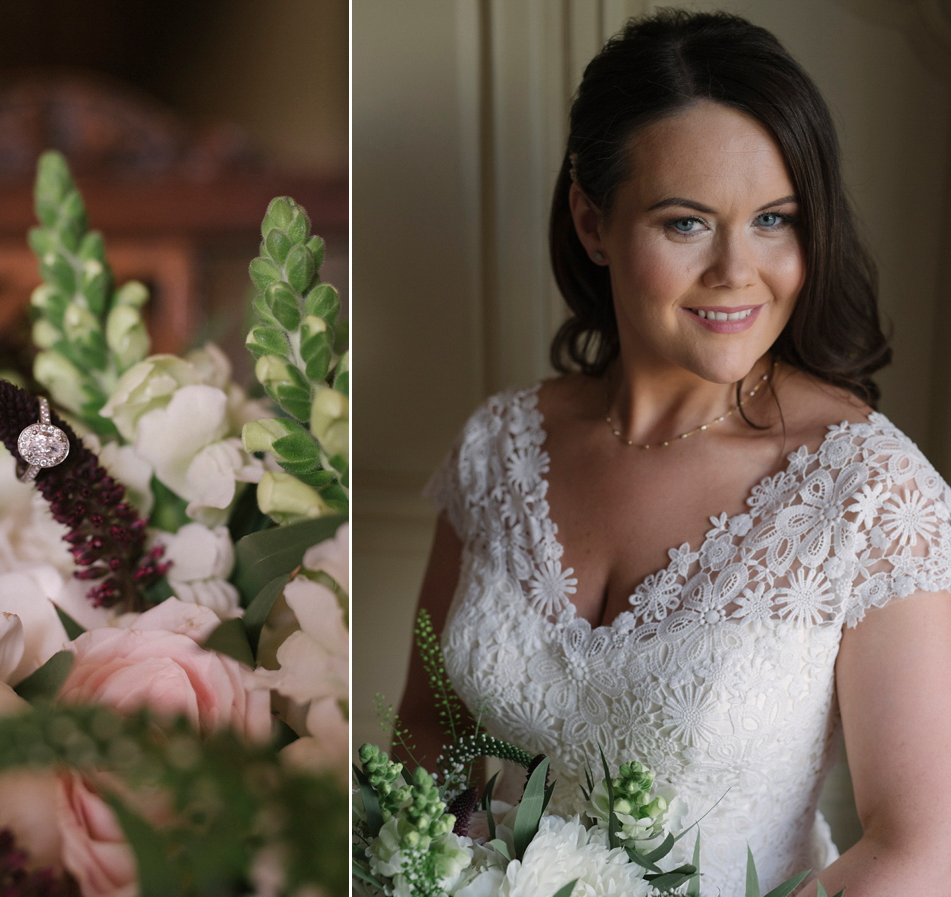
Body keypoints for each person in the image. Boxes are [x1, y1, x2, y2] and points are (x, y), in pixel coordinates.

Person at [397, 9, 951, 895]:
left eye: (775, 219)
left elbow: (920, 850)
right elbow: (426, 730)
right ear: (592, 220)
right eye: (687, 223)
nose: (739, 270)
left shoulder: (871, 493)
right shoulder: (498, 448)